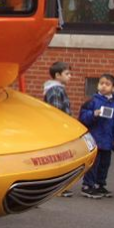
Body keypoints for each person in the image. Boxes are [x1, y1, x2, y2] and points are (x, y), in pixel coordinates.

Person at [78, 74, 114, 199]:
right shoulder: (93, 101)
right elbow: (82, 117)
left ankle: (99, 184)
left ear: (113, 88)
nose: (103, 86)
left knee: (104, 164)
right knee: (93, 164)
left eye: (107, 84)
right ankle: (88, 185)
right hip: (95, 138)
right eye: (101, 83)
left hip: (107, 139)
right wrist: (93, 114)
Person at [44, 61, 74, 196]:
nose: (70, 76)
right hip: (58, 131)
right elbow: (56, 113)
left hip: (59, 130)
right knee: (59, 160)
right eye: (67, 74)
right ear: (57, 75)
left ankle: (59, 187)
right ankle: (58, 188)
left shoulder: (58, 89)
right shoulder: (55, 90)